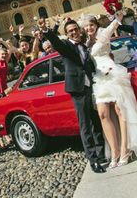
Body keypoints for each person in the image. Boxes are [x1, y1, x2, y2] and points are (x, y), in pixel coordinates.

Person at [83, 13, 137, 168]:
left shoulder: (103, 33)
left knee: (120, 111)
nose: (89, 28)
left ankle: (125, 150)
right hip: (99, 79)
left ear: (96, 25)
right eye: (86, 26)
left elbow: (113, 26)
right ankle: (115, 151)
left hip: (112, 73)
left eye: (91, 25)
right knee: (103, 114)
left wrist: (117, 16)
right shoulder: (86, 42)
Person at [44, 19, 106, 173]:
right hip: (77, 90)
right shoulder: (65, 46)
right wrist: (47, 31)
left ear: (79, 30)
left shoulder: (84, 46)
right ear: (67, 34)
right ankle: (93, 160)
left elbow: (89, 66)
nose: (74, 32)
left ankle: (101, 154)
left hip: (91, 87)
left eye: (75, 29)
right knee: (85, 125)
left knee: (96, 121)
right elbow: (55, 41)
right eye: (70, 30)